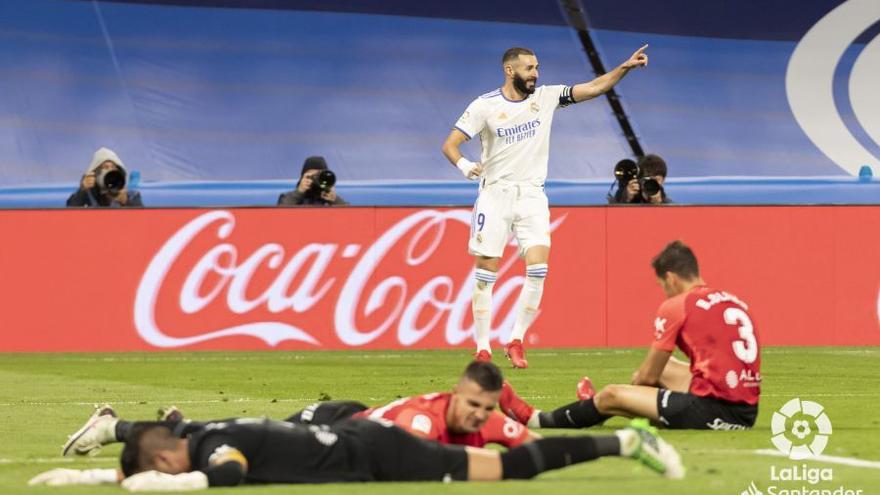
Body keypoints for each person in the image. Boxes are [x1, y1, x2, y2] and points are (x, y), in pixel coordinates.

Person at [440, 45, 649, 368]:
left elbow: (594, 88)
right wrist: (466, 167)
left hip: (533, 195)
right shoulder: (485, 106)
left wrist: (624, 67)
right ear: (510, 71)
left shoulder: (547, 97)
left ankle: (516, 339)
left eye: (537, 67)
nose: (535, 73)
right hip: (495, 194)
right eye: (529, 68)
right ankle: (482, 346)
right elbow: (450, 144)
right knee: (486, 271)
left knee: (538, 269)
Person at [499, 241, 761, 431]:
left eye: (662, 286)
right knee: (666, 368)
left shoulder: (677, 305)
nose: (664, 292)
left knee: (613, 395)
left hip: (716, 411)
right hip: (747, 407)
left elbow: (647, 377)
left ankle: (538, 419)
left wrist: (627, 392)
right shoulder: (732, 301)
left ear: (669, 278)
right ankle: (594, 408)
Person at [32, 415, 682, 489]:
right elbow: (152, 431)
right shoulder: (195, 429)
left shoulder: (216, 448)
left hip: (381, 453)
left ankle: (627, 438)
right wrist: (89, 473)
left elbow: (225, 477)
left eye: (164, 471)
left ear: (172, 461)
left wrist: (179, 487)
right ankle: (624, 439)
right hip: (357, 439)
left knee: (507, 469)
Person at [61, 362, 535, 456]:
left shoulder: (487, 419)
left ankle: (178, 426)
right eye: (472, 405)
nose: (479, 416)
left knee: (232, 434)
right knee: (235, 437)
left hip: (353, 425)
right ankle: (114, 427)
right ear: (456, 395)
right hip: (335, 427)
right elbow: (429, 460)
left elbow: (532, 443)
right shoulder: (420, 426)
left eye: (486, 408)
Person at [66, 147, 143, 207]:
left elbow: (143, 220)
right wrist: (82, 191)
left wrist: (126, 202)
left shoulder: (132, 196)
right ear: (95, 173)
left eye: (113, 167)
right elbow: (68, 214)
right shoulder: (88, 196)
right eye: (105, 167)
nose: (110, 171)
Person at [277, 156, 348, 206]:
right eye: (312, 176)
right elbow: (280, 213)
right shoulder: (290, 197)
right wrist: (299, 192)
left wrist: (335, 200)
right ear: (303, 177)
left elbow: (350, 217)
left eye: (319, 175)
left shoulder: (330, 199)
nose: (315, 179)